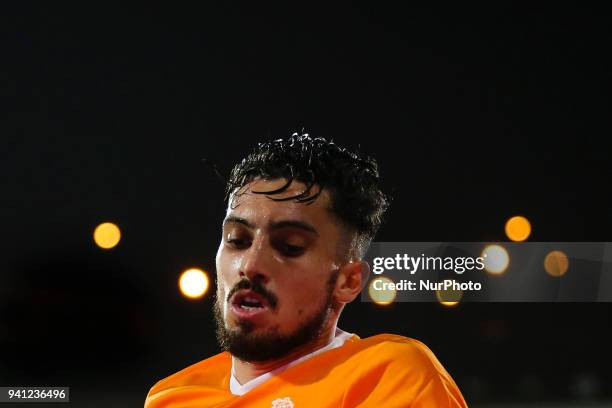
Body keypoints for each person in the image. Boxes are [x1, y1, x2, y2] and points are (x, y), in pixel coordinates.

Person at [145, 133, 467, 407]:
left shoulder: (388, 378)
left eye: (290, 247)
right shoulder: (170, 397)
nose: (250, 265)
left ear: (349, 281)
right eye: (237, 240)